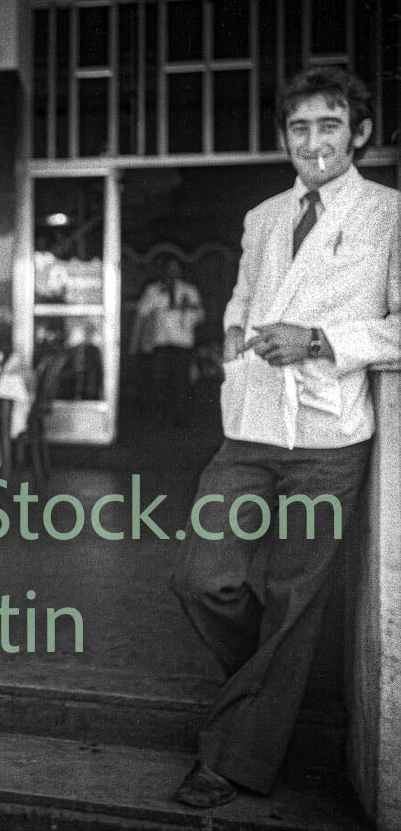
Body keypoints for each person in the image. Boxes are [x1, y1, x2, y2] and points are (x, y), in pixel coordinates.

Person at [170, 66, 401, 807]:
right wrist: (236, 329)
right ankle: (275, 691)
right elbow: (243, 293)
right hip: (252, 427)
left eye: (329, 125)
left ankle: (233, 759)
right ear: (285, 138)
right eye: (299, 128)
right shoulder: (263, 216)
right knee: (204, 577)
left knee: (294, 598)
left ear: (358, 133)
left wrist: (319, 340)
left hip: (331, 436)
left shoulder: (389, 214)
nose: (314, 141)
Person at [129, 256, 204, 422]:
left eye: (175, 268)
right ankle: (158, 418)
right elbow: (142, 314)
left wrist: (187, 310)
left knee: (181, 382)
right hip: (160, 342)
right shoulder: (153, 290)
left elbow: (200, 316)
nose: (172, 272)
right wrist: (137, 342)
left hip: (183, 342)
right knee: (159, 381)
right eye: (169, 268)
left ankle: (180, 418)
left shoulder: (189, 290)